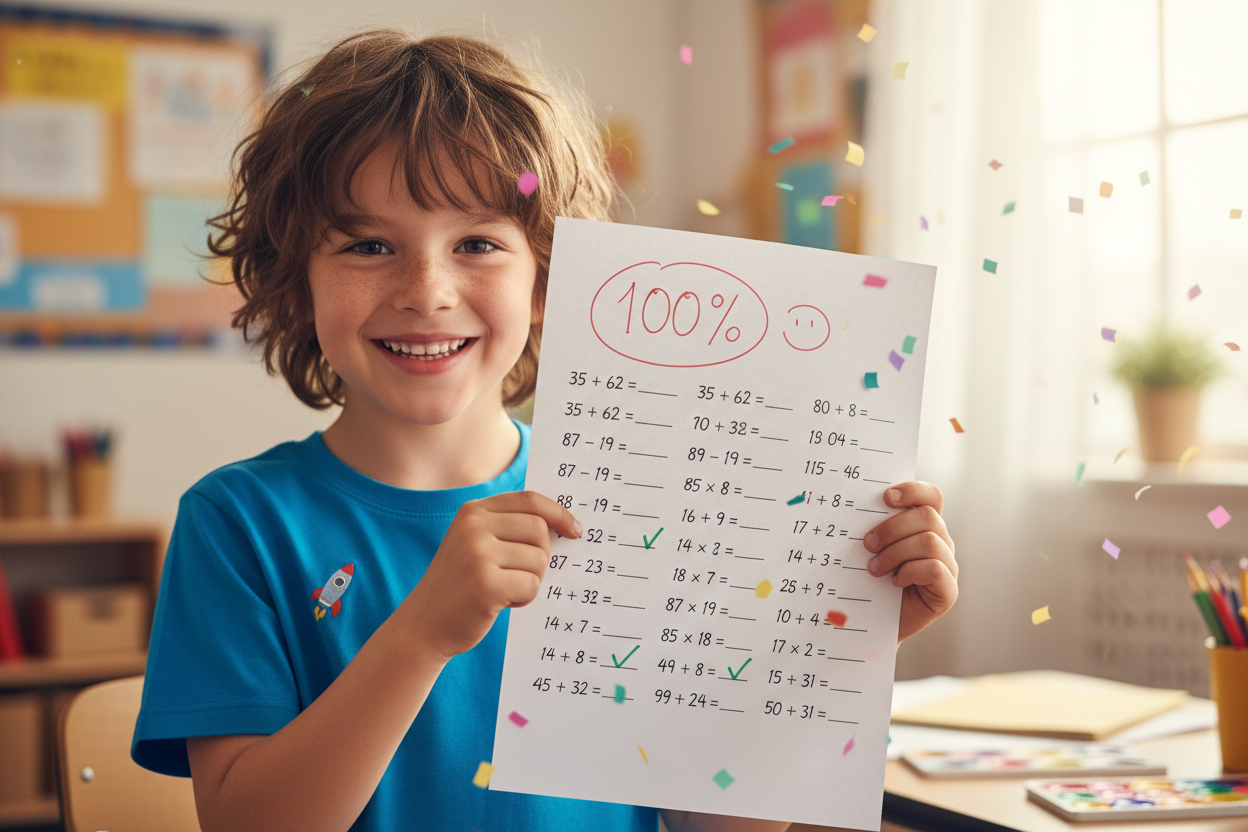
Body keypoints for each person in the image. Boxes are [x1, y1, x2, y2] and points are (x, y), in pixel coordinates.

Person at [132, 29, 959, 832]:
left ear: (545, 284)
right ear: (294, 277)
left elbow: (720, 821)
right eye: (369, 244)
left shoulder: (640, 500)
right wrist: (422, 633)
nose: (427, 290)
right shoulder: (237, 523)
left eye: (479, 243)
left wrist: (835, 646)